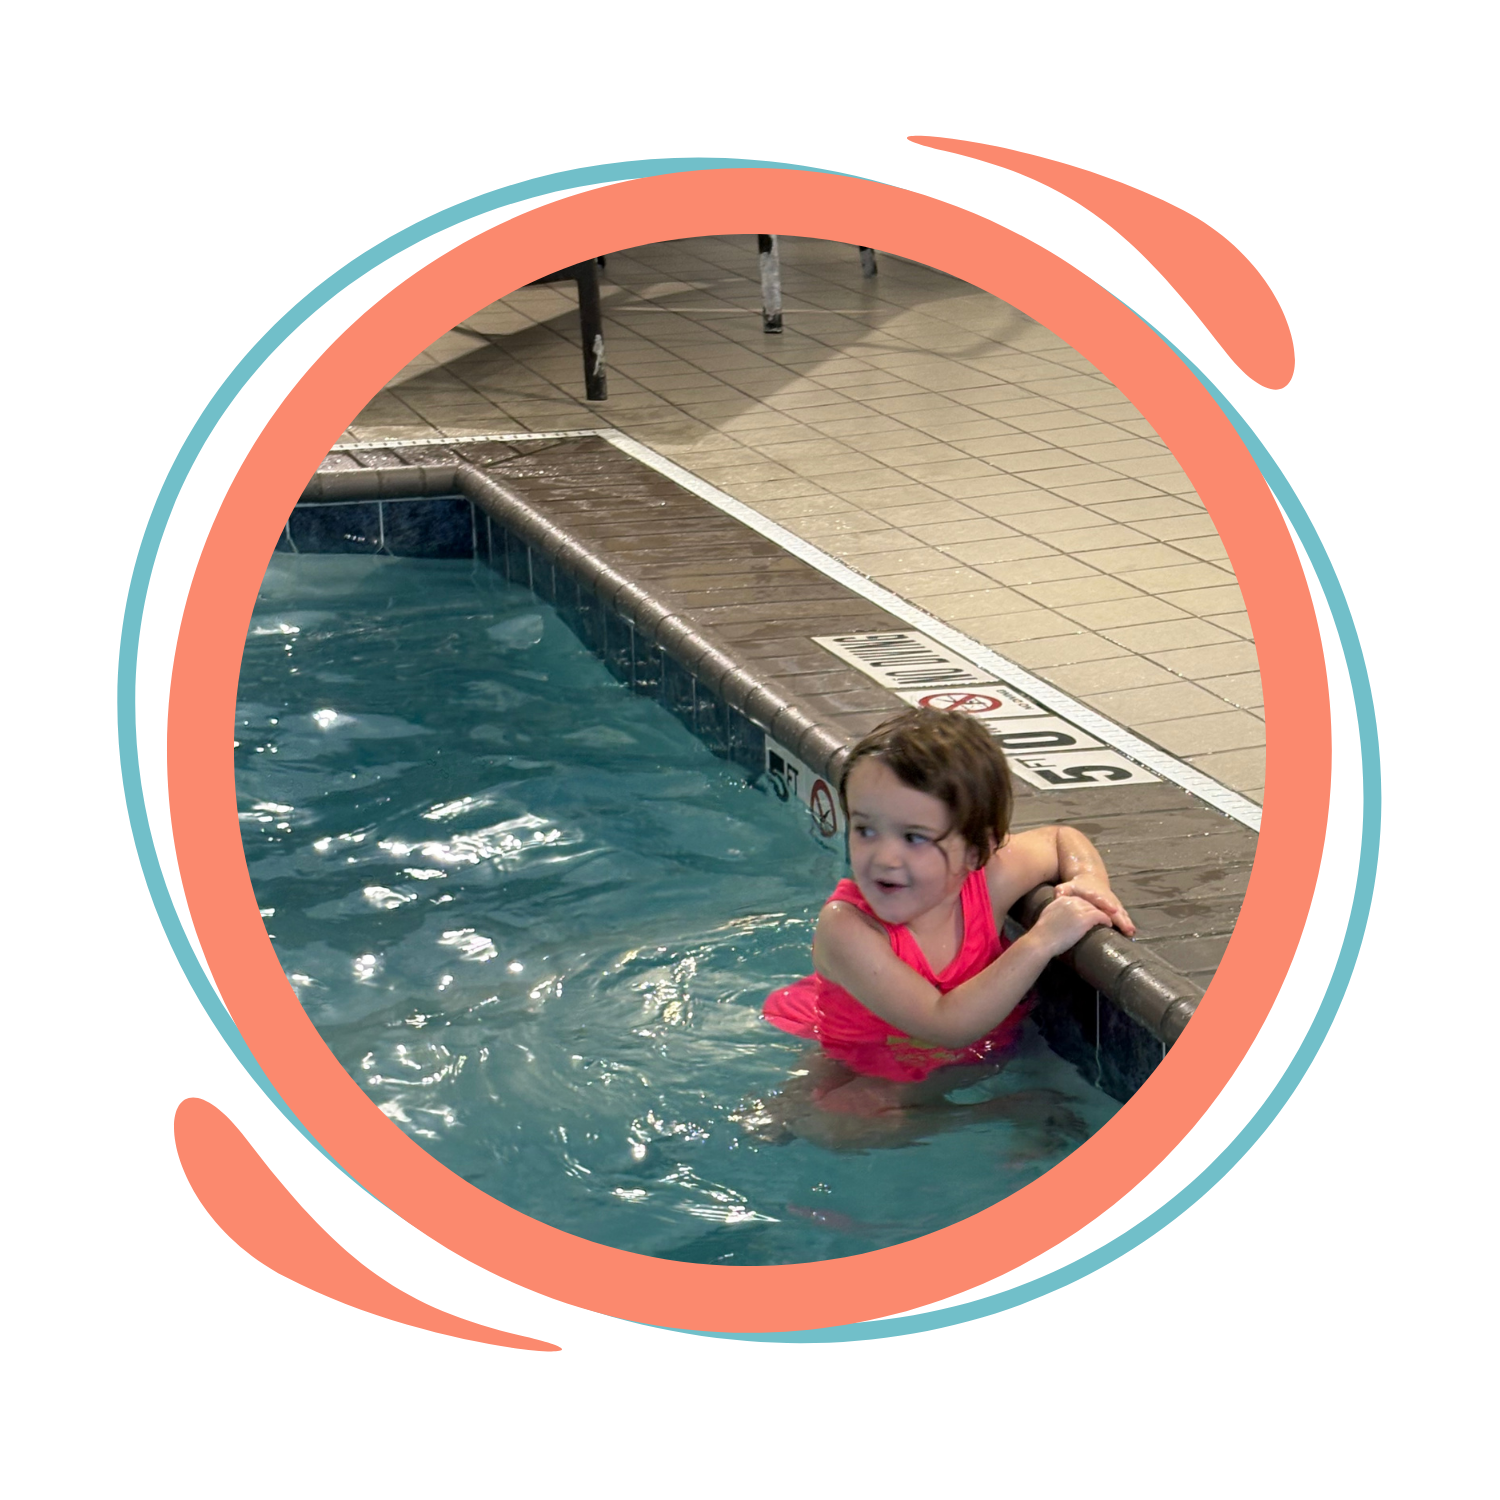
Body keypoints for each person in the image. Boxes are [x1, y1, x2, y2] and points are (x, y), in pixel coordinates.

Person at [744, 707, 1135, 1151]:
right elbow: (943, 1024)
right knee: (815, 1120)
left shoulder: (986, 882)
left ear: (977, 850)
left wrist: (1088, 880)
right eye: (866, 829)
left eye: (913, 837)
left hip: (970, 1054)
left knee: (831, 1124)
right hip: (867, 1050)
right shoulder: (848, 926)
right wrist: (1042, 940)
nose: (885, 857)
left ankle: (1010, 1107)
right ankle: (1005, 1109)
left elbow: (1060, 837)